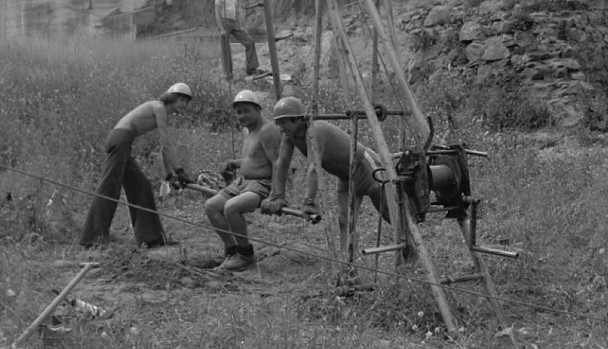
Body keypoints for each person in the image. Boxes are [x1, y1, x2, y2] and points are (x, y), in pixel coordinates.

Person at [261, 96, 390, 251]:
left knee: (388, 212)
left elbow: (314, 168)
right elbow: (281, 164)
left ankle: (409, 244)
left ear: (297, 119)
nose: (281, 128)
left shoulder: (315, 131)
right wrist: (278, 196)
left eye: (284, 122)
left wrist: (309, 201)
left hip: (364, 165)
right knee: (344, 220)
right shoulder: (290, 136)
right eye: (278, 123)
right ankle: (349, 263)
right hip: (345, 175)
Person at [80, 83, 193, 249]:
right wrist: (180, 171)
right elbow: (167, 143)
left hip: (124, 141)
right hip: (120, 139)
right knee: (110, 188)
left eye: (186, 101)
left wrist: (170, 175)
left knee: (142, 186)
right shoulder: (159, 107)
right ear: (171, 98)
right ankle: (93, 239)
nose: (184, 104)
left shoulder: (163, 113)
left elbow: (164, 148)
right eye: (181, 99)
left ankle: (151, 238)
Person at [205, 90, 281, 271]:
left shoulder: (267, 130)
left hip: (263, 184)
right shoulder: (248, 131)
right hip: (242, 182)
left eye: (246, 111)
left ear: (258, 109)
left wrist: (277, 195)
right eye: (238, 112)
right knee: (211, 206)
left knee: (231, 207)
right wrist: (234, 163)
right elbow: (253, 159)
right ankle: (233, 250)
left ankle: (245, 254)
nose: (242, 116)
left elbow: (278, 163)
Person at [214, 0, 263, 80]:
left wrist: (240, 25)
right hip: (224, 20)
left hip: (234, 22)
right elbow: (217, 14)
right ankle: (228, 74)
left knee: (249, 41)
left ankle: (251, 68)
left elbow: (235, 12)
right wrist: (221, 27)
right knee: (225, 49)